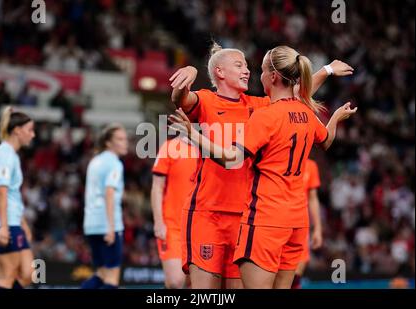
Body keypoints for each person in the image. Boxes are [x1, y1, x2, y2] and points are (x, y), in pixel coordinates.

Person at [168, 45, 357, 289]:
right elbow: (179, 99)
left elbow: (295, 96)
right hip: (208, 214)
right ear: (219, 71)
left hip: (247, 217)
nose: (247, 70)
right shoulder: (206, 99)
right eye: (239, 65)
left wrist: (326, 70)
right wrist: (189, 73)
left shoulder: (261, 106)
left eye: (249, 66)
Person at [0, 106, 36, 289]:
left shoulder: (10, 155)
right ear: (17, 130)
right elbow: (2, 192)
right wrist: (4, 227)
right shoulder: (5, 155)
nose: (33, 135)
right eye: (30, 130)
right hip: (2, 223)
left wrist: (22, 223)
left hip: (12, 221)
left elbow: (12, 195)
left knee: (28, 274)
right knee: (7, 278)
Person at [81, 124, 128, 289]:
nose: (125, 143)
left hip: (92, 224)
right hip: (107, 224)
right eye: (120, 139)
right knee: (112, 277)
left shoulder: (95, 161)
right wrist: (111, 227)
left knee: (101, 274)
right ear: (108, 143)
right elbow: (109, 192)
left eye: (125, 139)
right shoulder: (115, 163)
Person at [151, 136, 198, 288]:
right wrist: (159, 222)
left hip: (200, 227)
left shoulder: (209, 149)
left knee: (195, 284)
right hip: (173, 226)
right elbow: (157, 187)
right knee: (175, 283)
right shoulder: (169, 147)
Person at [292, 159, 323, 289]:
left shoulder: (311, 166)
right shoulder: (280, 159)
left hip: (301, 228)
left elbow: (313, 198)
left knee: (295, 277)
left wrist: (318, 229)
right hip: (277, 224)